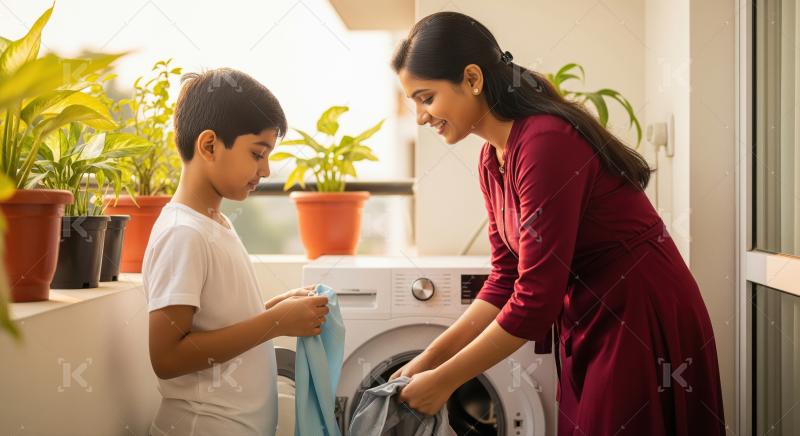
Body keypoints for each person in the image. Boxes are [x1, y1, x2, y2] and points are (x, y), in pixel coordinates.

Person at [391, 12, 726, 435]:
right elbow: (505, 278)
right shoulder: (491, 159)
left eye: (426, 98)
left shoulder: (544, 142)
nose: (420, 117)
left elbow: (534, 301)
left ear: (472, 79)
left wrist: (444, 382)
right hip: (588, 315)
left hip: (638, 310)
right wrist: (426, 361)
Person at [143, 68, 329, 436]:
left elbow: (216, 323)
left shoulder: (214, 223)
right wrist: (275, 323)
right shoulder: (184, 233)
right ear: (209, 145)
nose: (266, 168)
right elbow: (167, 357)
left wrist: (273, 308)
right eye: (257, 153)